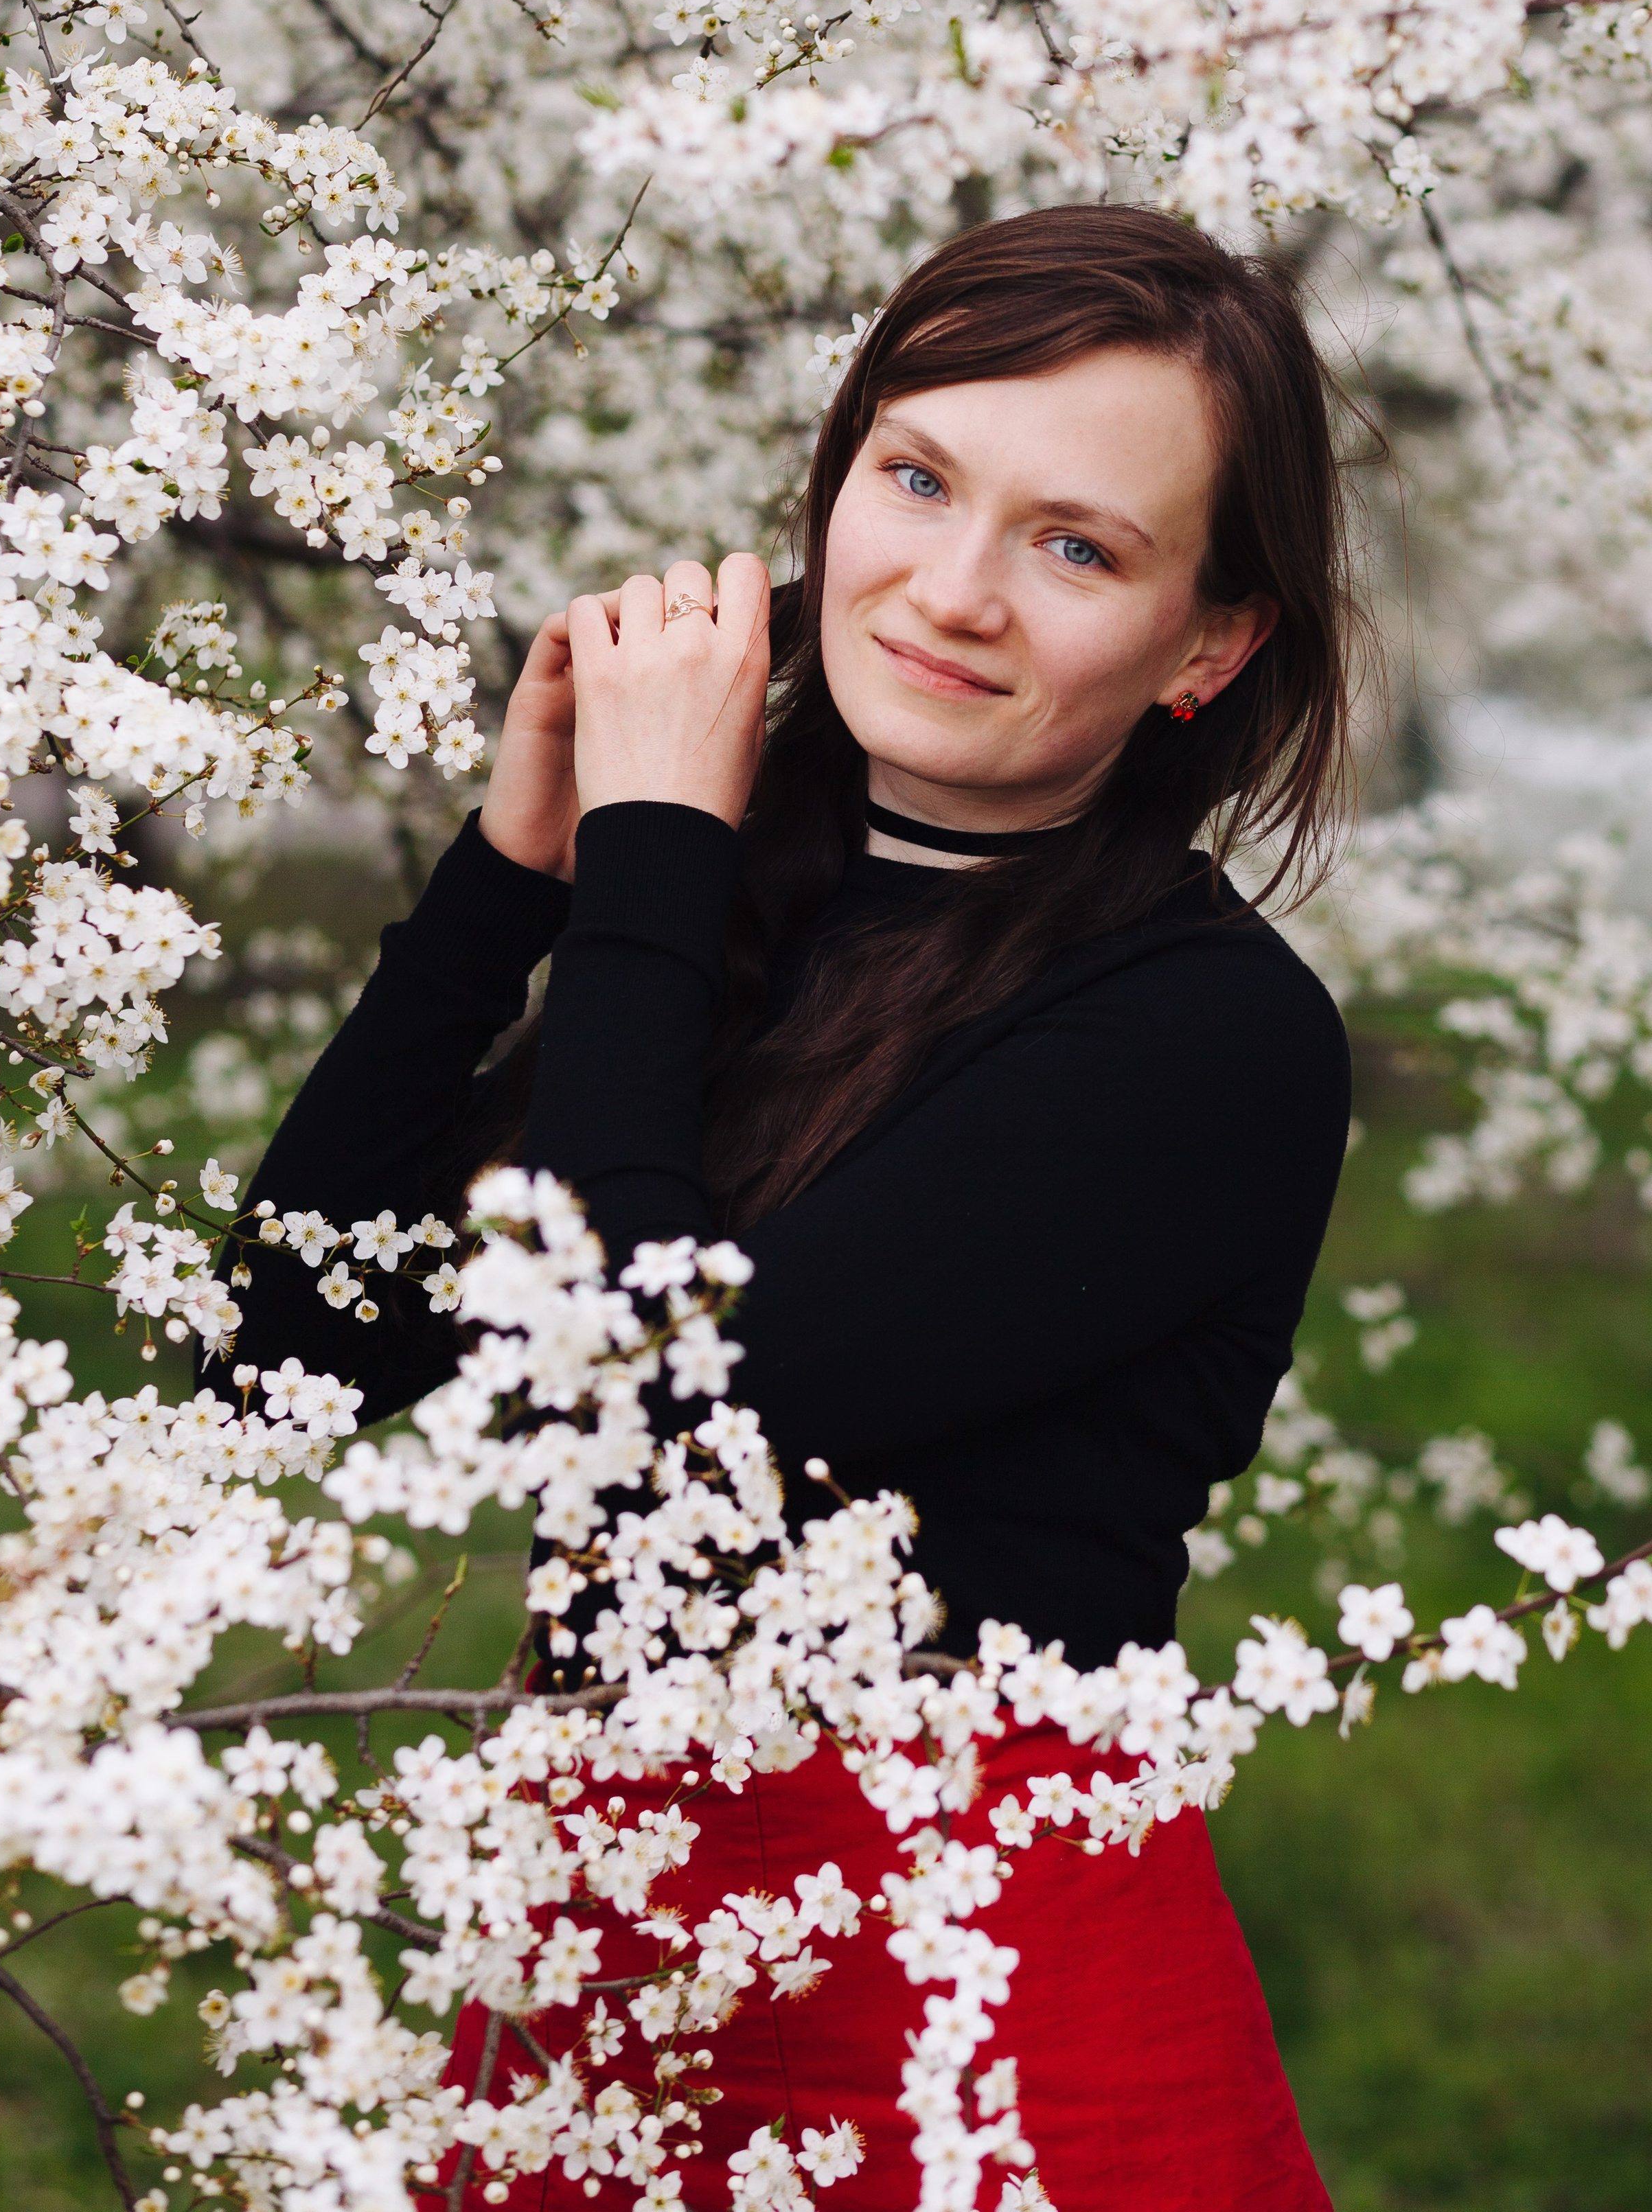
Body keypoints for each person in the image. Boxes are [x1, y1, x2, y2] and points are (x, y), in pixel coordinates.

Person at [218, 205, 1360, 2209]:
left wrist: (655, 857)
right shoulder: (748, 911)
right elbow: (292, 1349)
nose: (954, 589)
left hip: (977, 2006)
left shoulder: (1211, 1041)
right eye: (916, 481)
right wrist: (518, 869)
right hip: (615, 1945)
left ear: (1210, 644)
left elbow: (671, 1429)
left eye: (1076, 545)